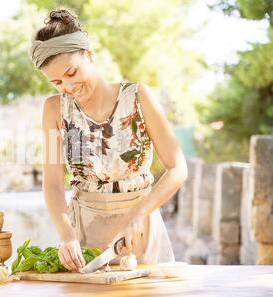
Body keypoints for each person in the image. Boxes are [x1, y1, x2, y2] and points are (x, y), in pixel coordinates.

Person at [31, 8, 188, 272]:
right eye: (57, 82)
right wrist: (66, 235)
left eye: (71, 73)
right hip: (85, 236)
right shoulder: (53, 110)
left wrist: (139, 215)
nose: (68, 87)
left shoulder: (139, 98)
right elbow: (53, 185)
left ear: (89, 56)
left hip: (140, 230)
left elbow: (178, 168)